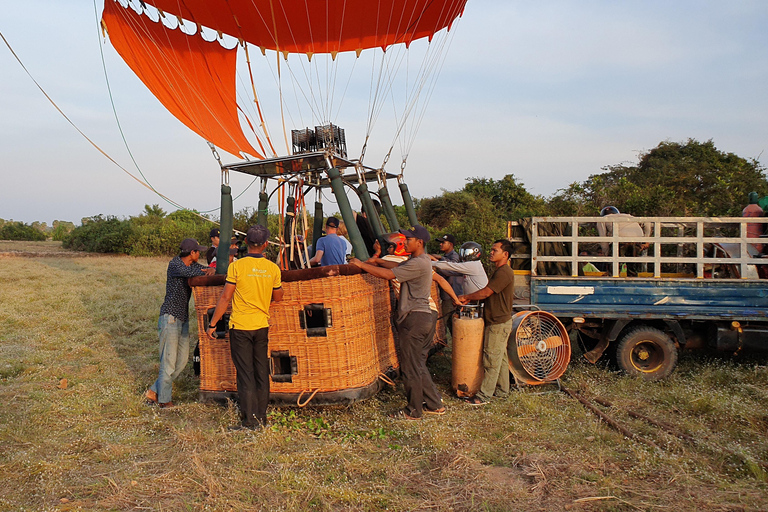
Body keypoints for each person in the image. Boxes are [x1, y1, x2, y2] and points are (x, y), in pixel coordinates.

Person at [350, 225, 445, 420]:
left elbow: (389, 275)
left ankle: (413, 411)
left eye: (408, 240)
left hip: (414, 318)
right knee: (418, 364)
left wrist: (361, 265)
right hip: (424, 317)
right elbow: (394, 267)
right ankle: (434, 404)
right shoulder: (420, 261)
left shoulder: (417, 263)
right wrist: (377, 260)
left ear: (419, 243)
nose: (405, 243)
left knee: (410, 367)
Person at [206, 225, 284, 431]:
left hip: (240, 326)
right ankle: (262, 418)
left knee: (245, 374)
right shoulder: (273, 269)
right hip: (261, 326)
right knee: (261, 371)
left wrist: (213, 324)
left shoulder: (237, 267)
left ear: (246, 244)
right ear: (266, 244)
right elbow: (278, 297)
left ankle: (249, 422)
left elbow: (225, 297)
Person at [145, 238, 214, 408]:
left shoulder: (191, 266)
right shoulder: (175, 264)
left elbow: (204, 270)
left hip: (181, 318)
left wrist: (209, 270)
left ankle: (154, 390)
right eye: (198, 251)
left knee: (182, 361)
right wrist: (207, 271)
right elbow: (197, 273)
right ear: (192, 253)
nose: (200, 254)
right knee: (168, 361)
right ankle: (164, 401)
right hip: (170, 317)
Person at [458, 239, 516, 406]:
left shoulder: (504, 272)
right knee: (500, 358)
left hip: (498, 323)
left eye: (495, 250)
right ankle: (502, 391)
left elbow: (486, 293)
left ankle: (484, 396)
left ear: (505, 254)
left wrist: (465, 297)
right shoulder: (499, 271)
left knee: (491, 359)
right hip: (499, 321)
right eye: (491, 249)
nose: (491, 252)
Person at [596, 206, 649, 275]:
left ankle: (612, 275)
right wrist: (646, 240)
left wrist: (606, 254)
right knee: (632, 265)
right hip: (637, 240)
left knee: (615, 264)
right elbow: (647, 222)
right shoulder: (628, 216)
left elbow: (603, 240)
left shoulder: (603, 219)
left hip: (621, 240)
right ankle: (633, 279)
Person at [430, 234, 462, 339]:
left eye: (443, 242)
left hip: (451, 296)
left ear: (451, 244)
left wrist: (436, 260)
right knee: (448, 322)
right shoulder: (447, 256)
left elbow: (450, 269)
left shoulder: (454, 256)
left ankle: (449, 343)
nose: (440, 244)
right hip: (447, 296)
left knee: (445, 321)